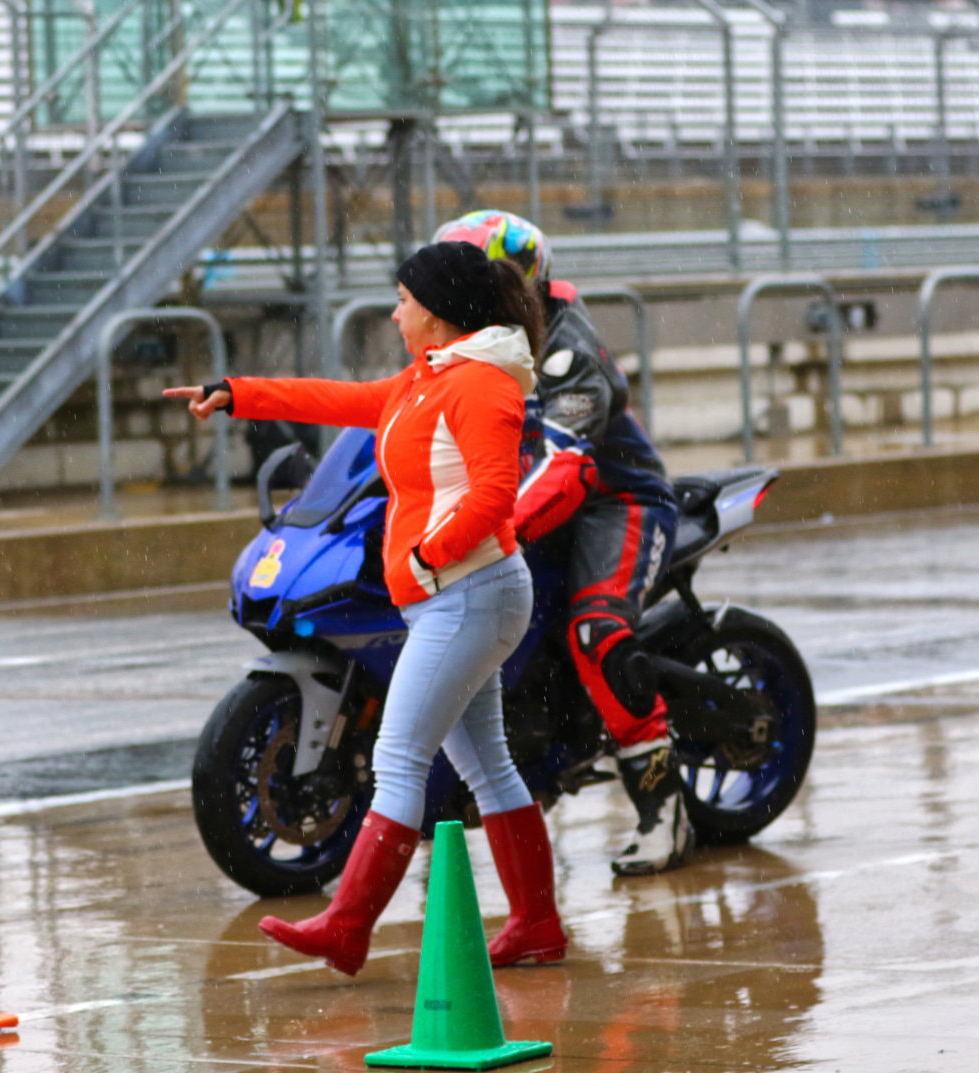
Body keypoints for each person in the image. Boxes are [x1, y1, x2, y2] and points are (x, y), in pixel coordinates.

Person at [165, 241, 567, 974]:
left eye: (404, 300)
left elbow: (493, 492)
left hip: (468, 594)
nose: (395, 311)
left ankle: (347, 926)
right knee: (488, 767)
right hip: (452, 598)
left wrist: (426, 555)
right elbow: (339, 401)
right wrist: (239, 393)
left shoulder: (482, 386)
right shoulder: (428, 379)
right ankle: (537, 925)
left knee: (398, 756)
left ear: (438, 315)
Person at [431, 210, 694, 877]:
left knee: (595, 629)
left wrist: (490, 528)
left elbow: (562, 461)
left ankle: (664, 809)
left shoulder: (566, 353)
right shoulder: (464, 341)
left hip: (613, 502)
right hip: (526, 508)